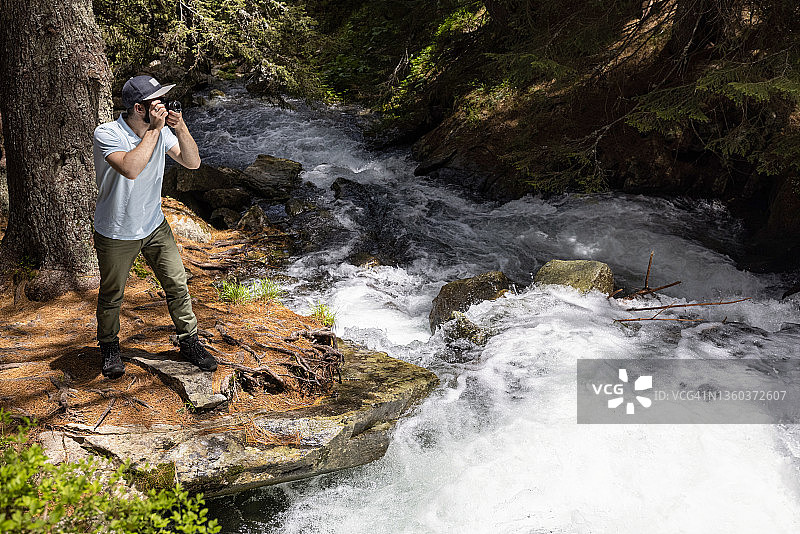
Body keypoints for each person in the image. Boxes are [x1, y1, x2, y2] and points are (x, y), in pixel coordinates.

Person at [92, 75, 216, 379]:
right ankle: (109, 346)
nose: (161, 106)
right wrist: (156, 130)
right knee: (112, 295)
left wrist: (180, 127)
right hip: (117, 230)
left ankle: (189, 341)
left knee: (177, 284)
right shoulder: (107, 133)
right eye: (156, 102)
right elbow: (132, 168)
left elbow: (193, 162)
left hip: (154, 225)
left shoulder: (160, 131)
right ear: (139, 108)